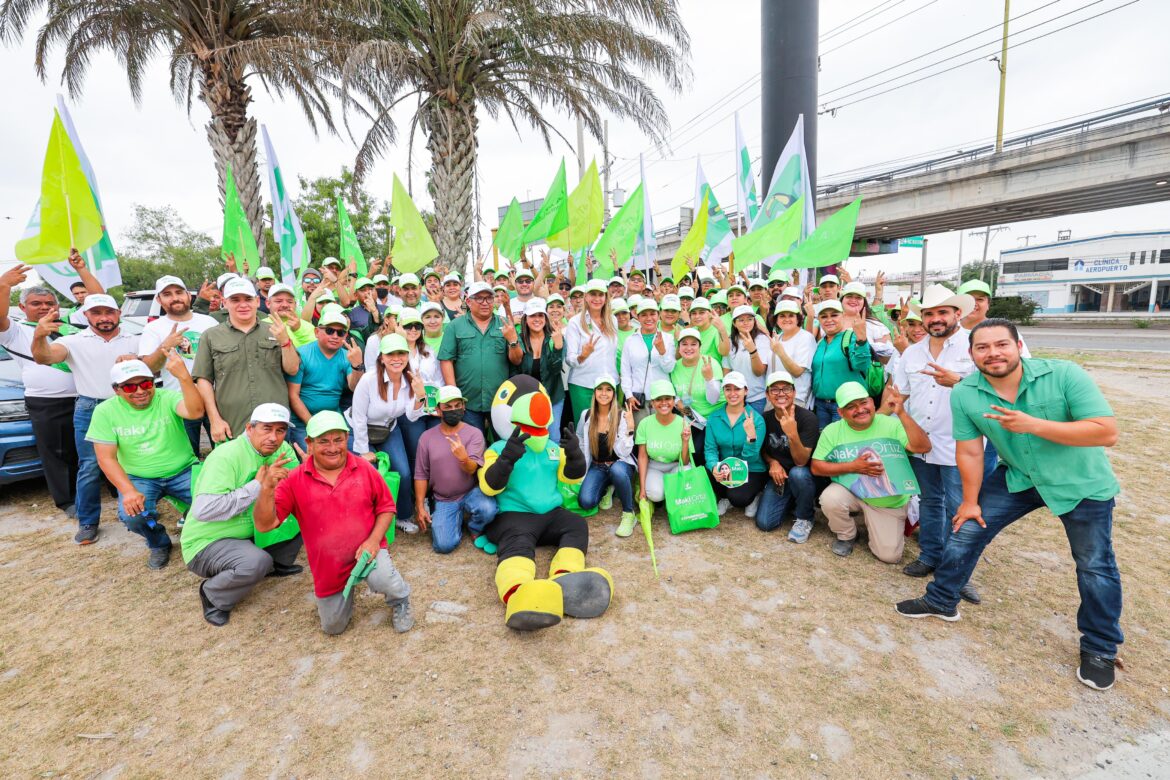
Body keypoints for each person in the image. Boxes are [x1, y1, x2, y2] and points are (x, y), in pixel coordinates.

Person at [896, 319, 1124, 691]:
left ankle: (1100, 648)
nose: (993, 353)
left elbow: (1105, 430)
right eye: (982, 348)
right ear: (972, 355)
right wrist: (969, 502)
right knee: (966, 529)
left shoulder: (1064, 374)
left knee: (1095, 565)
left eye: (1001, 344)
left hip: (1080, 482)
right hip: (1017, 476)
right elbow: (969, 450)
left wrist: (1034, 425)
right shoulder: (966, 392)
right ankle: (941, 600)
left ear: (1018, 345)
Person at [254, 411, 415, 635]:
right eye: (323, 441)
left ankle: (401, 599)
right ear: (309, 443)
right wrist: (266, 490)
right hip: (328, 565)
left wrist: (373, 541)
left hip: (368, 551)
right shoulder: (294, 480)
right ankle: (346, 593)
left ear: (347, 438)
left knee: (386, 580)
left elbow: (387, 508)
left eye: (338, 439)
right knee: (333, 627)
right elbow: (265, 525)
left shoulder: (364, 468)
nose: (332, 447)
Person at [477, 374, 610, 631]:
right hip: (515, 516)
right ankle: (518, 592)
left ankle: (566, 578)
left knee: (576, 525)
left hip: (550, 514)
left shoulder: (550, 447)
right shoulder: (498, 448)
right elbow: (489, 486)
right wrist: (507, 460)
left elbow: (572, 477)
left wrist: (573, 455)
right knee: (518, 545)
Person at [894, 285, 980, 605]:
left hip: (962, 444)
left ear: (957, 313)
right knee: (930, 501)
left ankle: (959, 573)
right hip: (921, 443)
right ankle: (930, 556)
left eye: (942, 312)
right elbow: (900, 395)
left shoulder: (974, 346)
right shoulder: (913, 353)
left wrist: (957, 381)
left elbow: (995, 391)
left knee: (961, 510)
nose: (935, 319)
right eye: (929, 314)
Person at [31, 292, 140, 544]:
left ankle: (135, 513)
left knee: (134, 460)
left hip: (129, 404)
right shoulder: (73, 341)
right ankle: (88, 521)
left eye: (108, 312)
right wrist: (39, 335)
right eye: (96, 313)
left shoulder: (135, 340)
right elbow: (44, 357)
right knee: (90, 467)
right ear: (86, 315)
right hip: (91, 407)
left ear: (118, 313)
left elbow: (152, 365)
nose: (103, 318)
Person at [182, 403, 303, 626]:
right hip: (209, 541)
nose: (274, 437)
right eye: (266, 429)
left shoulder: (283, 449)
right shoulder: (226, 456)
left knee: (304, 510)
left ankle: (276, 562)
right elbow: (204, 510)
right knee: (256, 562)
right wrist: (259, 486)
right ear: (249, 428)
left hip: (250, 530)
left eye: (280, 430)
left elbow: (298, 486)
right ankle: (213, 595)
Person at [87, 357, 204, 568]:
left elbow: (195, 412)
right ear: (117, 390)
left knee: (217, 501)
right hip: (139, 478)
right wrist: (128, 491)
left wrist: (184, 377)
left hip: (184, 470)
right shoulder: (104, 412)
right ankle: (158, 542)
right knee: (133, 516)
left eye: (146, 384)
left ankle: (206, 534)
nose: (140, 390)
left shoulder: (167, 398)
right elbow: (106, 458)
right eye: (130, 386)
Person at [812, 382, 931, 563]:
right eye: (851, 407)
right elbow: (816, 466)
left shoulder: (892, 424)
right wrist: (853, 466)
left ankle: (877, 524)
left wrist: (902, 413)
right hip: (852, 491)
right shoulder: (832, 430)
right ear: (841, 413)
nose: (860, 409)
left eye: (863, 403)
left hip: (888, 501)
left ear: (873, 403)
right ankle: (847, 535)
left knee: (890, 556)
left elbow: (923, 447)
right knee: (829, 498)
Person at [0, 267, 78, 515]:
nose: (44, 307)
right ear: (23, 308)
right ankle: (68, 501)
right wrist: (4, 286)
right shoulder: (16, 331)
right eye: (36, 303)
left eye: (49, 303)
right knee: (56, 452)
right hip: (47, 401)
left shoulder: (69, 328)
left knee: (89, 446)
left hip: (83, 398)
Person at [192, 278, 301, 445]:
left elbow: (292, 369)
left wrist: (285, 341)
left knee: (277, 470)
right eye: (235, 300)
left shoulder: (276, 330)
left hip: (275, 425)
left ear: (257, 301)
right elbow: (203, 380)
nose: (243, 305)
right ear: (225, 302)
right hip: (232, 425)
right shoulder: (210, 336)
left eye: (248, 299)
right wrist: (214, 419)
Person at [350, 333, 427, 532]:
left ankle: (402, 516)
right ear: (381, 357)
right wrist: (363, 449)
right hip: (357, 430)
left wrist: (420, 395)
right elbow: (358, 417)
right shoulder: (368, 380)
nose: (396, 358)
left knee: (403, 472)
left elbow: (411, 416)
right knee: (368, 474)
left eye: (401, 353)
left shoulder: (411, 380)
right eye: (391, 354)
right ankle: (365, 520)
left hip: (387, 429)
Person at [139, 275, 219, 455]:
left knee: (223, 451)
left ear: (188, 296)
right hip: (179, 400)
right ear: (159, 300)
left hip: (215, 398)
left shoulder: (209, 322)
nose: (175, 298)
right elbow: (149, 368)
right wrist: (165, 345)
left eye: (179, 292)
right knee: (186, 455)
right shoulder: (154, 328)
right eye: (167, 294)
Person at [412, 385, 498, 554]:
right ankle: (455, 520)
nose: (454, 410)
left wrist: (463, 458)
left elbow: (473, 469)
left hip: (471, 492)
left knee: (488, 509)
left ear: (463, 407)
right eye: (448, 407)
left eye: (457, 405)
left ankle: (474, 527)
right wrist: (420, 506)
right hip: (444, 498)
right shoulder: (426, 438)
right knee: (444, 545)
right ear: (438, 410)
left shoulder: (474, 434)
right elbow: (421, 474)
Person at [438, 281, 522, 434]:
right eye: (479, 298)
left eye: (489, 298)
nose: (485, 303)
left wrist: (512, 340)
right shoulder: (455, 326)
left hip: (500, 401)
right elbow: (446, 360)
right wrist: (454, 396)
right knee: (473, 445)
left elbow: (517, 360)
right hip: (468, 401)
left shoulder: (505, 324)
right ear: (468, 301)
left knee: (504, 444)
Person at [285, 307, 363, 448]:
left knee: (354, 456)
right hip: (304, 422)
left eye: (340, 333)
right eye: (329, 330)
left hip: (335, 420)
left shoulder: (347, 356)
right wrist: (315, 424)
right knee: (317, 458)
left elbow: (354, 387)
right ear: (316, 332)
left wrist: (357, 365)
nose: (335, 336)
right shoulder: (302, 354)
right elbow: (293, 396)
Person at [757, 371, 820, 541]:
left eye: (786, 389)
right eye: (775, 390)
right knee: (765, 523)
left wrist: (792, 434)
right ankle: (792, 501)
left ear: (794, 392)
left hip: (804, 475)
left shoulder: (808, 418)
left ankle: (805, 517)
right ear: (767, 395)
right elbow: (762, 450)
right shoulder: (764, 418)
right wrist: (772, 462)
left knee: (798, 474)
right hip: (780, 478)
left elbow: (801, 461)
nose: (781, 394)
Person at [576, 376, 637, 535]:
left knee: (616, 470)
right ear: (594, 392)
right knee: (586, 502)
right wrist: (582, 467)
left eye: (608, 389)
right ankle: (608, 487)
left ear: (614, 394)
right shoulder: (586, 415)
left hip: (620, 464)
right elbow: (581, 440)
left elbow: (624, 452)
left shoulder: (622, 415)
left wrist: (630, 429)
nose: (604, 393)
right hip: (597, 466)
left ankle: (629, 513)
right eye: (600, 389)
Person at [705, 371, 768, 518]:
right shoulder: (714, 417)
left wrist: (751, 437)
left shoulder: (756, 420)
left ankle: (754, 495)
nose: (732, 393)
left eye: (737, 389)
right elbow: (710, 449)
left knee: (739, 498)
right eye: (728, 389)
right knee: (707, 469)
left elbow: (751, 458)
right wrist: (714, 466)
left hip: (752, 469)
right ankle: (725, 497)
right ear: (724, 392)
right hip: (726, 467)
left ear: (746, 391)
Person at [810, 299, 873, 430]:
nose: (829, 320)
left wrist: (861, 340)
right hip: (821, 405)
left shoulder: (851, 337)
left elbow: (861, 365)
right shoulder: (820, 343)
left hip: (847, 406)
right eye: (824, 316)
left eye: (834, 315)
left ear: (843, 316)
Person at [510, 298, 565, 442]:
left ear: (546, 318)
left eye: (540, 315)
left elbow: (555, 370)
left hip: (552, 397)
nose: (537, 319)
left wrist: (558, 349)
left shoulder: (554, 337)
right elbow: (515, 370)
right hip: (526, 400)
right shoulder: (519, 339)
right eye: (532, 315)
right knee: (529, 440)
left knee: (553, 438)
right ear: (525, 318)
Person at [564, 279, 618, 420]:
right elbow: (570, 358)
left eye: (601, 295)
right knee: (584, 430)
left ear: (606, 297)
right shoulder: (575, 322)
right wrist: (583, 355)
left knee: (609, 429)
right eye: (593, 294)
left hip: (609, 384)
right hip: (583, 385)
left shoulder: (613, 320)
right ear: (586, 297)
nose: (597, 298)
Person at [670, 327, 724, 466]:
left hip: (714, 418)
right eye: (684, 344)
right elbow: (674, 393)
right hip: (693, 419)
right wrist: (677, 402)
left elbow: (713, 399)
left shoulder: (709, 363)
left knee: (704, 452)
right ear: (679, 347)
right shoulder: (675, 367)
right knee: (691, 452)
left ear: (700, 346)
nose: (689, 348)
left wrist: (709, 378)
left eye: (693, 344)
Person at [635, 380, 694, 503]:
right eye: (658, 399)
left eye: (668, 398)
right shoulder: (645, 424)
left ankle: (672, 494)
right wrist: (642, 490)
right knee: (656, 495)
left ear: (674, 401)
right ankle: (665, 490)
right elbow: (642, 456)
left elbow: (686, 462)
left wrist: (685, 441)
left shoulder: (683, 423)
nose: (664, 403)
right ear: (652, 403)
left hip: (676, 465)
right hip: (654, 466)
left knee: (687, 471)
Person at [620, 300, 676, 424]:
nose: (648, 318)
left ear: (658, 315)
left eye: (652, 314)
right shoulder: (630, 341)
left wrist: (662, 351)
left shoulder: (668, 339)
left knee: (661, 435)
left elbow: (669, 368)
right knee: (641, 437)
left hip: (663, 398)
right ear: (637, 317)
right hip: (638, 399)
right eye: (644, 315)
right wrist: (629, 395)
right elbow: (626, 371)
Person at [398, 308, 442, 453]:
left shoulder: (428, 351)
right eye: (408, 326)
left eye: (417, 326)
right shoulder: (393, 351)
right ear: (399, 327)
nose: (413, 330)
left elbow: (438, 379)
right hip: (408, 409)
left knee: (435, 449)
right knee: (417, 451)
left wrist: (437, 404)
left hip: (431, 408)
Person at [767, 299, 817, 410]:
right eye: (782, 316)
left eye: (791, 315)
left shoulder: (806, 338)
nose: (786, 319)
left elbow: (797, 371)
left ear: (798, 318)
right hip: (774, 399)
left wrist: (781, 352)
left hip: (795, 400)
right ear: (776, 319)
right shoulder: (777, 338)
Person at [723, 305, 770, 414]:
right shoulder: (730, 342)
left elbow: (759, 371)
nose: (746, 322)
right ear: (734, 323)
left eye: (750, 319)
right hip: (736, 398)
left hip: (757, 398)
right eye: (741, 320)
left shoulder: (762, 339)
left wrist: (752, 351)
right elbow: (727, 370)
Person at [839, 281, 895, 363]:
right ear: (842, 299)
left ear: (864, 302)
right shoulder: (830, 322)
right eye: (849, 296)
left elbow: (889, 359)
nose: (853, 300)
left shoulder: (875, 326)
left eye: (858, 297)